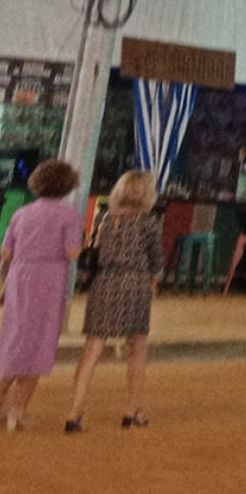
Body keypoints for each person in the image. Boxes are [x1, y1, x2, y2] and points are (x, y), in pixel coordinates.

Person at [64, 170, 166, 432]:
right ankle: (131, 410)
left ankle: (75, 412)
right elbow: (156, 261)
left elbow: (94, 253)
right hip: (135, 284)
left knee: (92, 349)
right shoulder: (149, 223)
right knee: (137, 347)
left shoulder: (104, 218)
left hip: (104, 284)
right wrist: (153, 284)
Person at [0, 160, 83, 431]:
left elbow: (6, 253)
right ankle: (18, 410)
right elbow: (72, 253)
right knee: (40, 342)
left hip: (19, 279)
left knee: (13, 339)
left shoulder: (21, 213)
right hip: (49, 282)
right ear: (67, 186)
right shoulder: (68, 215)